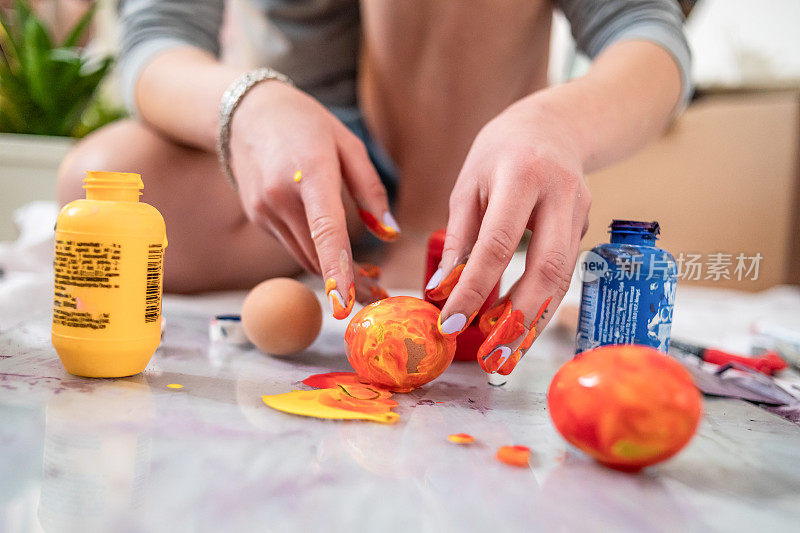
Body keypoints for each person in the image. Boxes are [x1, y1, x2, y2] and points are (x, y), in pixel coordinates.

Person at [58, 0, 691, 374]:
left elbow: (646, 33)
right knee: (107, 181)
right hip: (299, 153)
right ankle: (344, 236)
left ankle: (423, 237)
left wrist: (558, 122)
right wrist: (246, 106)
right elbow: (159, 36)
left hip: (455, 151)